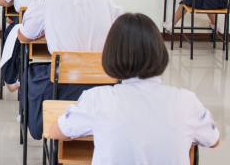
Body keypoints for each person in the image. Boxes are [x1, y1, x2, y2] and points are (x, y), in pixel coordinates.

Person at [49, 13, 220, 164]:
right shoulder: (187, 101)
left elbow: (56, 131)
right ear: (159, 51)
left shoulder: (97, 99)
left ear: (111, 54)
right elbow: (213, 140)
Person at [17, 0, 123, 140]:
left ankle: (37, 122)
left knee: (30, 74)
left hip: (63, 85)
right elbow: (123, 32)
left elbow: (24, 36)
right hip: (105, 82)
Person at [0, 0, 51, 91]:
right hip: (49, 29)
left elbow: (1, 1)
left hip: (24, 23)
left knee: (11, 32)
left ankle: (10, 78)